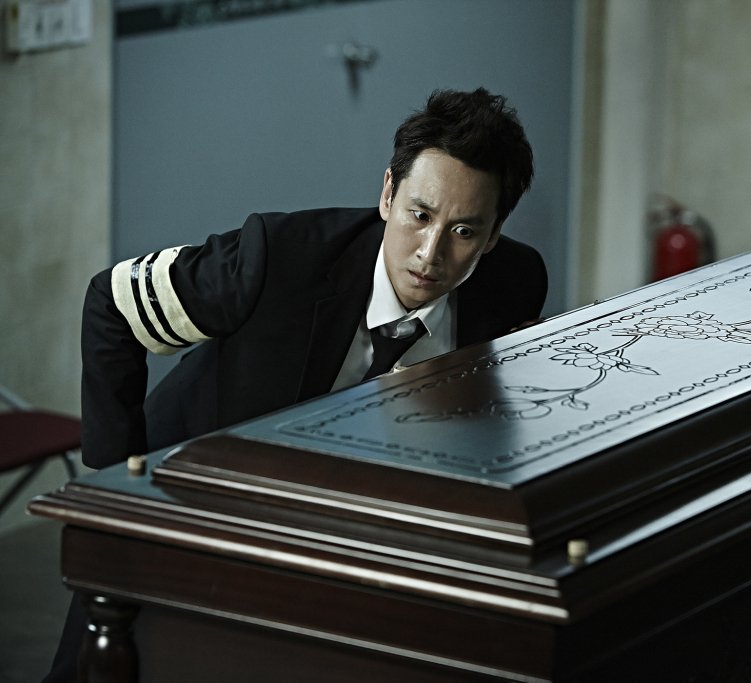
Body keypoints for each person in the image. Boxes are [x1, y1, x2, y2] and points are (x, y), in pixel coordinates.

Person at [44, 87, 547, 680]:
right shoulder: (275, 259)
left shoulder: (514, 283)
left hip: (334, 527)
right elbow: (112, 303)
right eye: (419, 215)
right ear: (388, 193)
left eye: (463, 231)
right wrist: (115, 487)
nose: (430, 254)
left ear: (493, 234)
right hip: (188, 486)